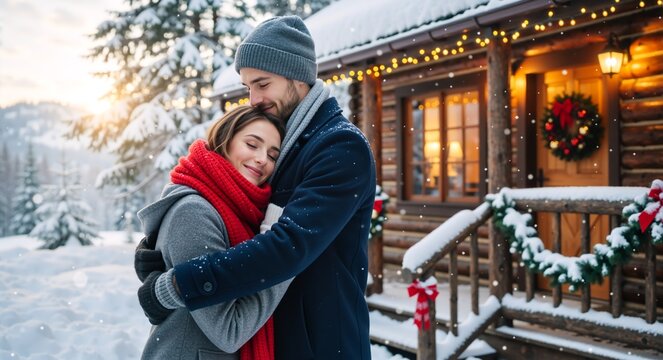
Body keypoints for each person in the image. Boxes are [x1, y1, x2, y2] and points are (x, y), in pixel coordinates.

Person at [135, 15, 376, 359]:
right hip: (278, 337)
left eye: (262, 84)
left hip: (321, 342)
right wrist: (160, 254)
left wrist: (180, 284)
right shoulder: (288, 141)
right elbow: (239, 221)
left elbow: (289, 244)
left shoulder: (338, 147)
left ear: (298, 77)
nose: (254, 99)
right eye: (248, 87)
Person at [137, 105, 291, 360]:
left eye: (273, 155)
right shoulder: (194, 212)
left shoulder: (240, 211)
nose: (263, 158)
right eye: (252, 145)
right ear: (225, 140)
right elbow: (229, 330)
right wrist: (285, 255)